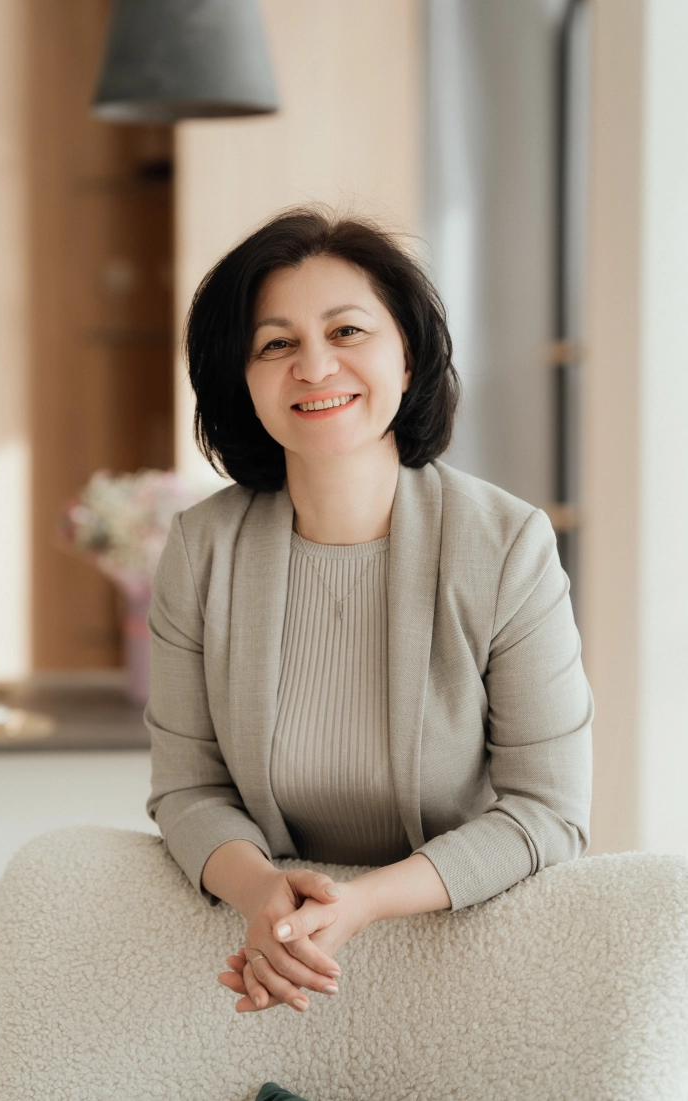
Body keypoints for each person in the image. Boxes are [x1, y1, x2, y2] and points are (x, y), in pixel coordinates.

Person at [144, 205, 594, 1017]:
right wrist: (265, 894)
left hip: (463, 959)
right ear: (242, 380)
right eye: (275, 343)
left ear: (408, 354)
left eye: (347, 331)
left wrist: (364, 902)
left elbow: (548, 811)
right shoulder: (200, 549)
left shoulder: (506, 545)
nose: (314, 366)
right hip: (270, 962)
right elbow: (188, 788)